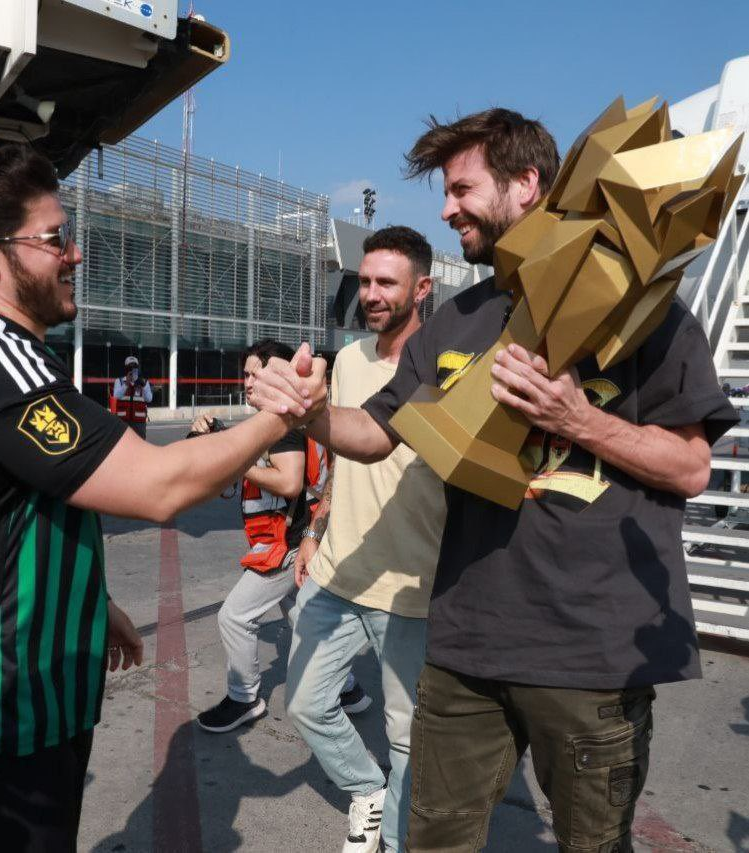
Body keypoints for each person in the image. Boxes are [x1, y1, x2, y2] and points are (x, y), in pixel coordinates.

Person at [251, 109, 738, 852]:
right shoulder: (457, 320)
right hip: (464, 646)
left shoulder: (653, 317)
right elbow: (378, 433)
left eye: (460, 189)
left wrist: (576, 418)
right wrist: (314, 413)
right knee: (432, 841)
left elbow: (691, 466)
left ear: (526, 185)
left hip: (591, 656)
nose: (445, 210)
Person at [0, 144, 325, 852]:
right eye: (55, 238)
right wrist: (282, 416)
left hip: (39, 670)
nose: (73, 254)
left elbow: (10, 509)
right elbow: (156, 487)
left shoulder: (13, 351)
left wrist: (93, 603)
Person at [285, 226, 445, 853]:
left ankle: (396, 841)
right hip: (337, 570)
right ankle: (365, 790)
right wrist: (316, 525)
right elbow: (338, 460)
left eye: (386, 282)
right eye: (366, 281)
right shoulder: (348, 362)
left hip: (411, 584)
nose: (371, 294)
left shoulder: (445, 369)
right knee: (303, 703)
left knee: (406, 735)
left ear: (422, 289)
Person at [190, 339, 311, 733]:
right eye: (244, 374)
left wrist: (236, 457)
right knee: (305, 619)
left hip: (285, 546)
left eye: (252, 373)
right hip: (283, 542)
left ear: (275, 374)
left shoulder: (283, 425)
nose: (245, 381)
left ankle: (244, 698)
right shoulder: (265, 423)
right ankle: (345, 688)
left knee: (235, 616)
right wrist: (210, 444)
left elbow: (290, 482)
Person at [112, 355, 152, 439]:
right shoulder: (119, 381)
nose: (132, 369)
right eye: (130, 367)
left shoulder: (144, 382)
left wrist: (143, 386)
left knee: (140, 445)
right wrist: (126, 384)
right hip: (123, 421)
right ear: (126, 369)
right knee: (123, 444)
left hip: (139, 422)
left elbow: (149, 399)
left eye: (134, 367)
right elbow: (116, 396)